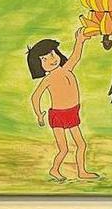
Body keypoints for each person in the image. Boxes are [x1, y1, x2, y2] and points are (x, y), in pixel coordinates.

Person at [27, 27, 100, 181]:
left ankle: (82, 171)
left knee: (81, 145)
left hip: (72, 112)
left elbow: (75, 56)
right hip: (58, 115)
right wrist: (39, 115)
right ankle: (54, 170)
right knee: (64, 149)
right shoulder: (47, 79)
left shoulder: (66, 68)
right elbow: (35, 97)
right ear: (38, 65)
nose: (51, 60)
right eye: (44, 59)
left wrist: (79, 40)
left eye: (52, 54)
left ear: (57, 53)